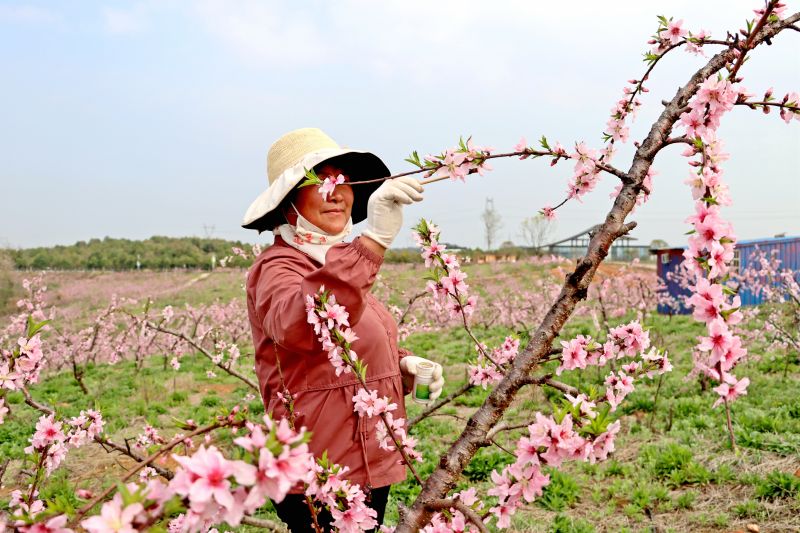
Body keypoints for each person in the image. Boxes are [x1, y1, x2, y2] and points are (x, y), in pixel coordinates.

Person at [241, 128, 445, 532]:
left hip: (367, 459)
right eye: (318, 183)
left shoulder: (336, 262)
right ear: (289, 202)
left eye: (342, 182)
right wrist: (373, 243)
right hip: (322, 471)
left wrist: (402, 367)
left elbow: (347, 345)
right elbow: (303, 326)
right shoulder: (277, 268)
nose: (335, 193)